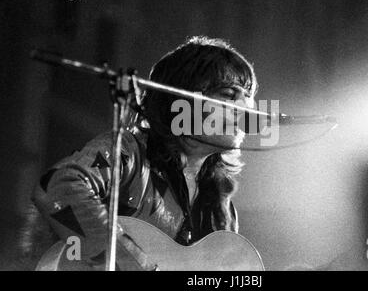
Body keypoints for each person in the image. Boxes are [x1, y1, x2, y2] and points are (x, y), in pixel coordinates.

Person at [31, 36, 258, 270]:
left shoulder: (219, 207)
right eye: (230, 95)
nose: (247, 108)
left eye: (248, 96)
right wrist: (134, 263)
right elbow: (58, 187)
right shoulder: (130, 154)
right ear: (184, 101)